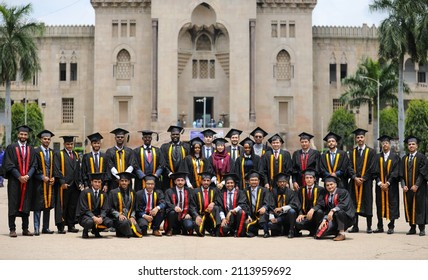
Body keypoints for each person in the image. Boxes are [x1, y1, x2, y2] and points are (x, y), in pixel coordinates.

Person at [2, 125, 37, 237]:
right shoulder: (11, 148)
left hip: (27, 181)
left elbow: (34, 165)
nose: (23, 136)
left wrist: (27, 175)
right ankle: (12, 229)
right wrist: (19, 177)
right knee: (13, 204)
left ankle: (25, 229)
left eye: (25, 134)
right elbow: (8, 164)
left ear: (28, 135)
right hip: (14, 182)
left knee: (26, 204)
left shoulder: (31, 149)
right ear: (18, 134)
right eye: (21, 134)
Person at [348, 128, 376, 234]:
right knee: (354, 203)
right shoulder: (352, 152)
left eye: (361, 137)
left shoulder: (371, 152)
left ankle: (369, 226)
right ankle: (355, 226)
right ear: (356, 139)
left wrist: (363, 178)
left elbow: (372, 167)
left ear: (364, 138)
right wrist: (355, 177)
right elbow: (349, 166)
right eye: (358, 137)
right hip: (354, 182)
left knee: (368, 203)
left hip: (366, 182)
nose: (360, 139)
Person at [54, 135, 83, 234]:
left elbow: (79, 170)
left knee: (72, 206)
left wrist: (80, 182)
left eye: (71, 144)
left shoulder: (76, 155)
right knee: (63, 205)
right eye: (68, 144)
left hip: (75, 185)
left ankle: (71, 225)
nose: (70, 146)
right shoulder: (59, 154)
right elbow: (57, 169)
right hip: (64, 185)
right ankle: (61, 226)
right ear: (64, 144)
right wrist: (62, 182)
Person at [313, 175, 355, 241]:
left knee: (339, 212)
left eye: (331, 184)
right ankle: (336, 232)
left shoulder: (343, 192)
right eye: (327, 185)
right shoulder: (326, 195)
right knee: (318, 235)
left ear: (335, 184)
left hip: (346, 218)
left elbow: (343, 205)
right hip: (332, 218)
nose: (330, 186)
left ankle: (341, 233)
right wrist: (324, 220)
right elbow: (325, 209)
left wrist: (333, 210)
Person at [400, 136, 427, 236]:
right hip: (408, 189)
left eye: (413, 144)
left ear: (417, 146)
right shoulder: (404, 158)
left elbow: (423, 173)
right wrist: (403, 185)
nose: (411, 146)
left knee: (420, 207)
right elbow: (400, 174)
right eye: (409, 144)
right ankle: (412, 227)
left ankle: (422, 228)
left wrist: (416, 185)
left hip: (419, 188)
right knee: (410, 206)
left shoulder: (422, 157)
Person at [373, 135, 400, 234]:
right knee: (379, 205)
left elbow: (396, 172)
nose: (385, 145)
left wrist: (388, 182)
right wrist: (380, 183)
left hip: (391, 187)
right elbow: (374, 172)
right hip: (380, 187)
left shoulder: (395, 157)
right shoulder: (377, 157)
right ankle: (380, 226)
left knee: (392, 204)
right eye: (383, 143)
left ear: (390, 144)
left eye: (387, 143)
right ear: (381, 145)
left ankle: (391, 226)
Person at [33, 129, 57, 235]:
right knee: (38, 205)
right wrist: (42, 177)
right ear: (40, 139)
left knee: (47, 206)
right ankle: (36, 228)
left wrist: (54, 178)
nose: (47, 141)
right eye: (45, 139)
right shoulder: (36, 151)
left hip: (49, 184)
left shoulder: (52, 152)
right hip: (39, 183)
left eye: (48, 139)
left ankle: (45, 227)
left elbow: (56, 167)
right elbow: (34, 166)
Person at [76, 172, 113, 238]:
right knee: (89, 222)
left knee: (109, 222)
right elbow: (84, 208)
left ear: (101, 183)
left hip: (98, 216)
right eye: (95, 182)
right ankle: (85, 231)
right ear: (91, 182)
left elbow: (105, 208)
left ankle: (96, 231)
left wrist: (101, 217)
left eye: (99, 182)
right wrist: (93, 217)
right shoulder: (85, 193)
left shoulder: (103, 194)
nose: (97, 184)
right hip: (86, 216)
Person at [108, 172, 142, 237]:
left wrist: (132, 216)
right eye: (122, 181)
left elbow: (134, 207)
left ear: (129, 182)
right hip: (118, 218)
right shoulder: (113, 192)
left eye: (126, 181)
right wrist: (118, 215)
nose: (124, 182)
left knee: (139, 232)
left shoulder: (133, 192)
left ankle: (123, 231)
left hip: (129, 217)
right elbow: (110, 208)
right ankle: (122, 230)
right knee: (126, 225)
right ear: (119, 182)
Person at [295, 168, 326, 237]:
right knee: (298, 223)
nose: (309, 180)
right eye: (307, 178)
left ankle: (316, 230)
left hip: (315, 216)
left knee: (319, 212)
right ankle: (310, 230)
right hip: (305, 216)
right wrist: (300, 213)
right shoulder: (300, 190)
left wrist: (313, 209)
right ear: (304, 179)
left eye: (311, 178)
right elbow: (298, 203)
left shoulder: (320, 190)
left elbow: (321, 203)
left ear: (314, 179)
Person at [268, 172, 300, 238]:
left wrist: (282, 208)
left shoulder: (291, 192)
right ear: (277, 183)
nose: (282, 183)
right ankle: (281, 230)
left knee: (292, 211)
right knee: (270, 224)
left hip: (288, 217)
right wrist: (272, 217)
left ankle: (291, 231)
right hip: (277, 216)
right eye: (280, 182)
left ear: (286, 183)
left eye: (284, 182)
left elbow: (295, 205)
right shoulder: (273, 192)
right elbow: (271, 206)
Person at [216, 173, 248, 237]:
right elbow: (220, 207)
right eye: (228, 183)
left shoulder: (240, 192)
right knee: (223, 230)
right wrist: (223, 219)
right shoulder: (222, 194)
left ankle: (239, 232)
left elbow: (242, 204)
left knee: (241, 211)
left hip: (237, 218)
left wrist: (231, 211)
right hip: (227, 219)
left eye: (231, 183)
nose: (230, 184)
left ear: (234, 184)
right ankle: (230, 231)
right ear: (225, 184)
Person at [160, 126, 190, 191]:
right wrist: (169, 173)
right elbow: (162, 161)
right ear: (170, 135)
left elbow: (188, 161)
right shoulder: (164, 147)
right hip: (168, 177)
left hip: (182, 178)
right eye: (173, 134)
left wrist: (183, 174)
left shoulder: (186, 146)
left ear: (179, 135)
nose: (175, 136)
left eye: (177, 134)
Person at [189, 171, 219, 236]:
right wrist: (196, 216)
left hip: (210, 216)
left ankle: (215, 229)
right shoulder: (195, 191)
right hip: (200, 215)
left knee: (216, 208)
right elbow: (192, 206)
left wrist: (213, 203)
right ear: (201, 181)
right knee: (200, 233)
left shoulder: (215, 190)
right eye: (204, 180)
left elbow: (219, 201)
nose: (206, 182)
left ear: (210, 181)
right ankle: (198, 225)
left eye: (208, 180)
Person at [164, 172, 194, 236]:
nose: (180, 182)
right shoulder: (169, 191)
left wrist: (188, 213)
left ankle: (183, 228)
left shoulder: (189, 191)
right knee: (172, 212)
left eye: (182, 180)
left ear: (185, 181)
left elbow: (192, 204)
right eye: (178, 180)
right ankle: (170, 229)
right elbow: (167, 202)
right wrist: (174, 207)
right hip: (174, 215)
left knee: (189, 226)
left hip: (185, 214)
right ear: (175, 182)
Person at [244, 170, 272, 238]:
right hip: (252, 215)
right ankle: (254, 232)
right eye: (252, 180)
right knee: (247, 226)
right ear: (248, 181)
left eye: (256, 180)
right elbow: (245, 204)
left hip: (261, 214)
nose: (254, 182)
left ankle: (266, 232)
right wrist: (248, 215)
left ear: (259, 181)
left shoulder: (264, 190)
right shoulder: (245, 191)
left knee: (264, 214)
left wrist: (264, 207)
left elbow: (267, 201)